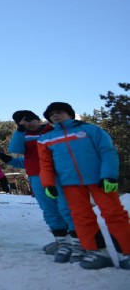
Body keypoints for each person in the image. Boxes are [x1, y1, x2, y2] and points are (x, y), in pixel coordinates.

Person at [38, 102, 130, 270]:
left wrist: (109, 175)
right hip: (69, 183)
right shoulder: (46, 139)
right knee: (81, 217)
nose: (55, 116)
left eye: (59, 112)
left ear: (70, 113)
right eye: (51, 115)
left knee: (114, 214)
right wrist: (48, 184)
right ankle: (97, 253)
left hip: (100, 180)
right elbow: (45, 164)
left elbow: (107, 151)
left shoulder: (90, 130)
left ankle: (126, 253)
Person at [7, 109, 79, 263]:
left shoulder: (52, 130)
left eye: (30, 119)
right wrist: (20, 130)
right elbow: (15, 149)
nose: (27, 124)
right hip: (37, 177)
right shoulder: (23, 136)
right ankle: (63, 243)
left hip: (59, 176)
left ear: (37, 119)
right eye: (22, 122)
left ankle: (80, 244)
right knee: (50, 211)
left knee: (67, 209)